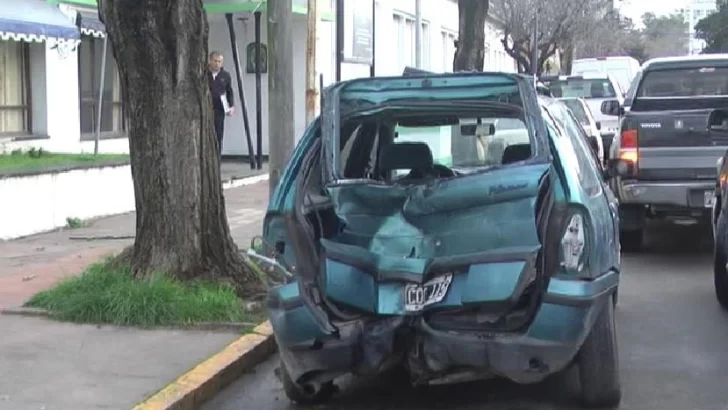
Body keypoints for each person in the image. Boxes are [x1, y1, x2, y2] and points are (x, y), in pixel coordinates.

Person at [207, 51, 235, 155]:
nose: (217, 64)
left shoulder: (225, 75)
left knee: (218, 134)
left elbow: (229, 91)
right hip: (206, 109)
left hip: (219, 109)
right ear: (210, 61)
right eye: (215, 61)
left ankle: (217, 158)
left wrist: (231, 106)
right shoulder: (204, 74)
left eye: (220, 61)